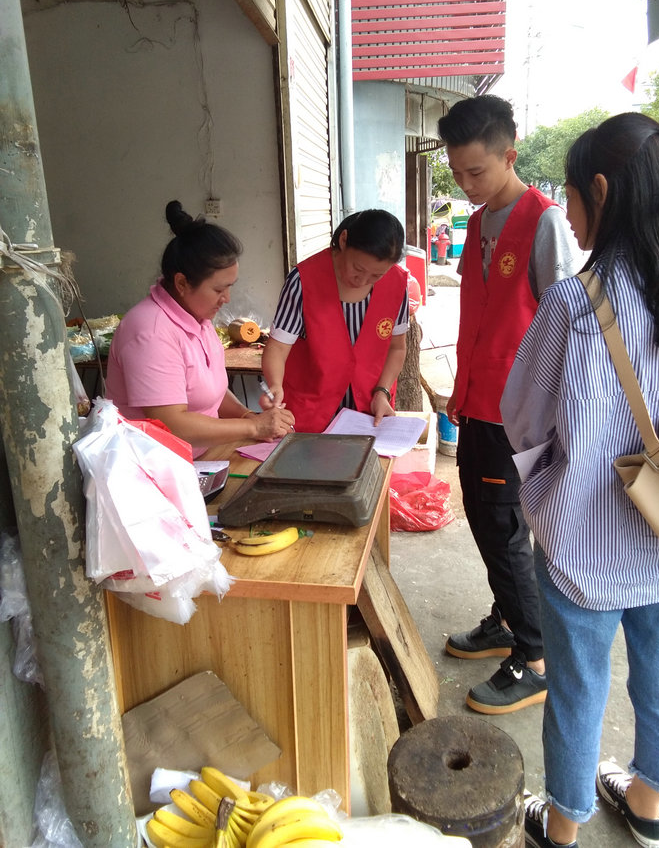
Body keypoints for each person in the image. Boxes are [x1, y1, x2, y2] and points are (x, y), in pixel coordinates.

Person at [502, 112, 659, 848]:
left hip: (582, 541)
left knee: (577, 687)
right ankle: (647, 804)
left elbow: (521, 415)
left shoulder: (575, 302)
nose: (567, 216)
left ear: (600, 191)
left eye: (571, 197)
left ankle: (563, 826)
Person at [438, 94, 581, 714]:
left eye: (477, 172)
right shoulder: (477, 224)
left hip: (516, 415)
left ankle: (536, 657)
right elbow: (481, 317)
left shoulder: (544, 223)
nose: (466, 185)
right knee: (488, 518)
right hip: (477, 402)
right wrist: (461, 387)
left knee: (503, 529)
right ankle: (505, 621)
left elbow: (569, 324)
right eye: (457, 173)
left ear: (510, 156)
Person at [106, 200, 295, 459]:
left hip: (200, 457)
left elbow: (210, 390)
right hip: (152, 467)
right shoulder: (150, 331)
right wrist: (254, 426)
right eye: (218, 289)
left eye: (230, 287)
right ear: (182, 283)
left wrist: (248, 416)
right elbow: (170, 423)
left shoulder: (198, 317)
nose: (226, 298)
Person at [261, 209, 409, 432]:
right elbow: (278, 347)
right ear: (343, 240)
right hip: (310, 412)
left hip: (368, 414)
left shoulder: (396, 283)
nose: (363, 280)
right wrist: (274, 384)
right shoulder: (303, 281)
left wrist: (383, 391)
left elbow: (397, 348)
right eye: (358, 268)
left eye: (376, 275)